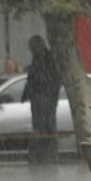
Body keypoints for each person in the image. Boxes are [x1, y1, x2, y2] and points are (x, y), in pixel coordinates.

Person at [21, 35, 60, 163]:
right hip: (41, 101)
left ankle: (44, 157)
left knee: (45, 130)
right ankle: (43, 157)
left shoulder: (46, 60)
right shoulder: (41, 59)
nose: (30, 50)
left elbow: (40, 79)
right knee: (42, 129)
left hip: (44, 101)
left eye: (31, 47)